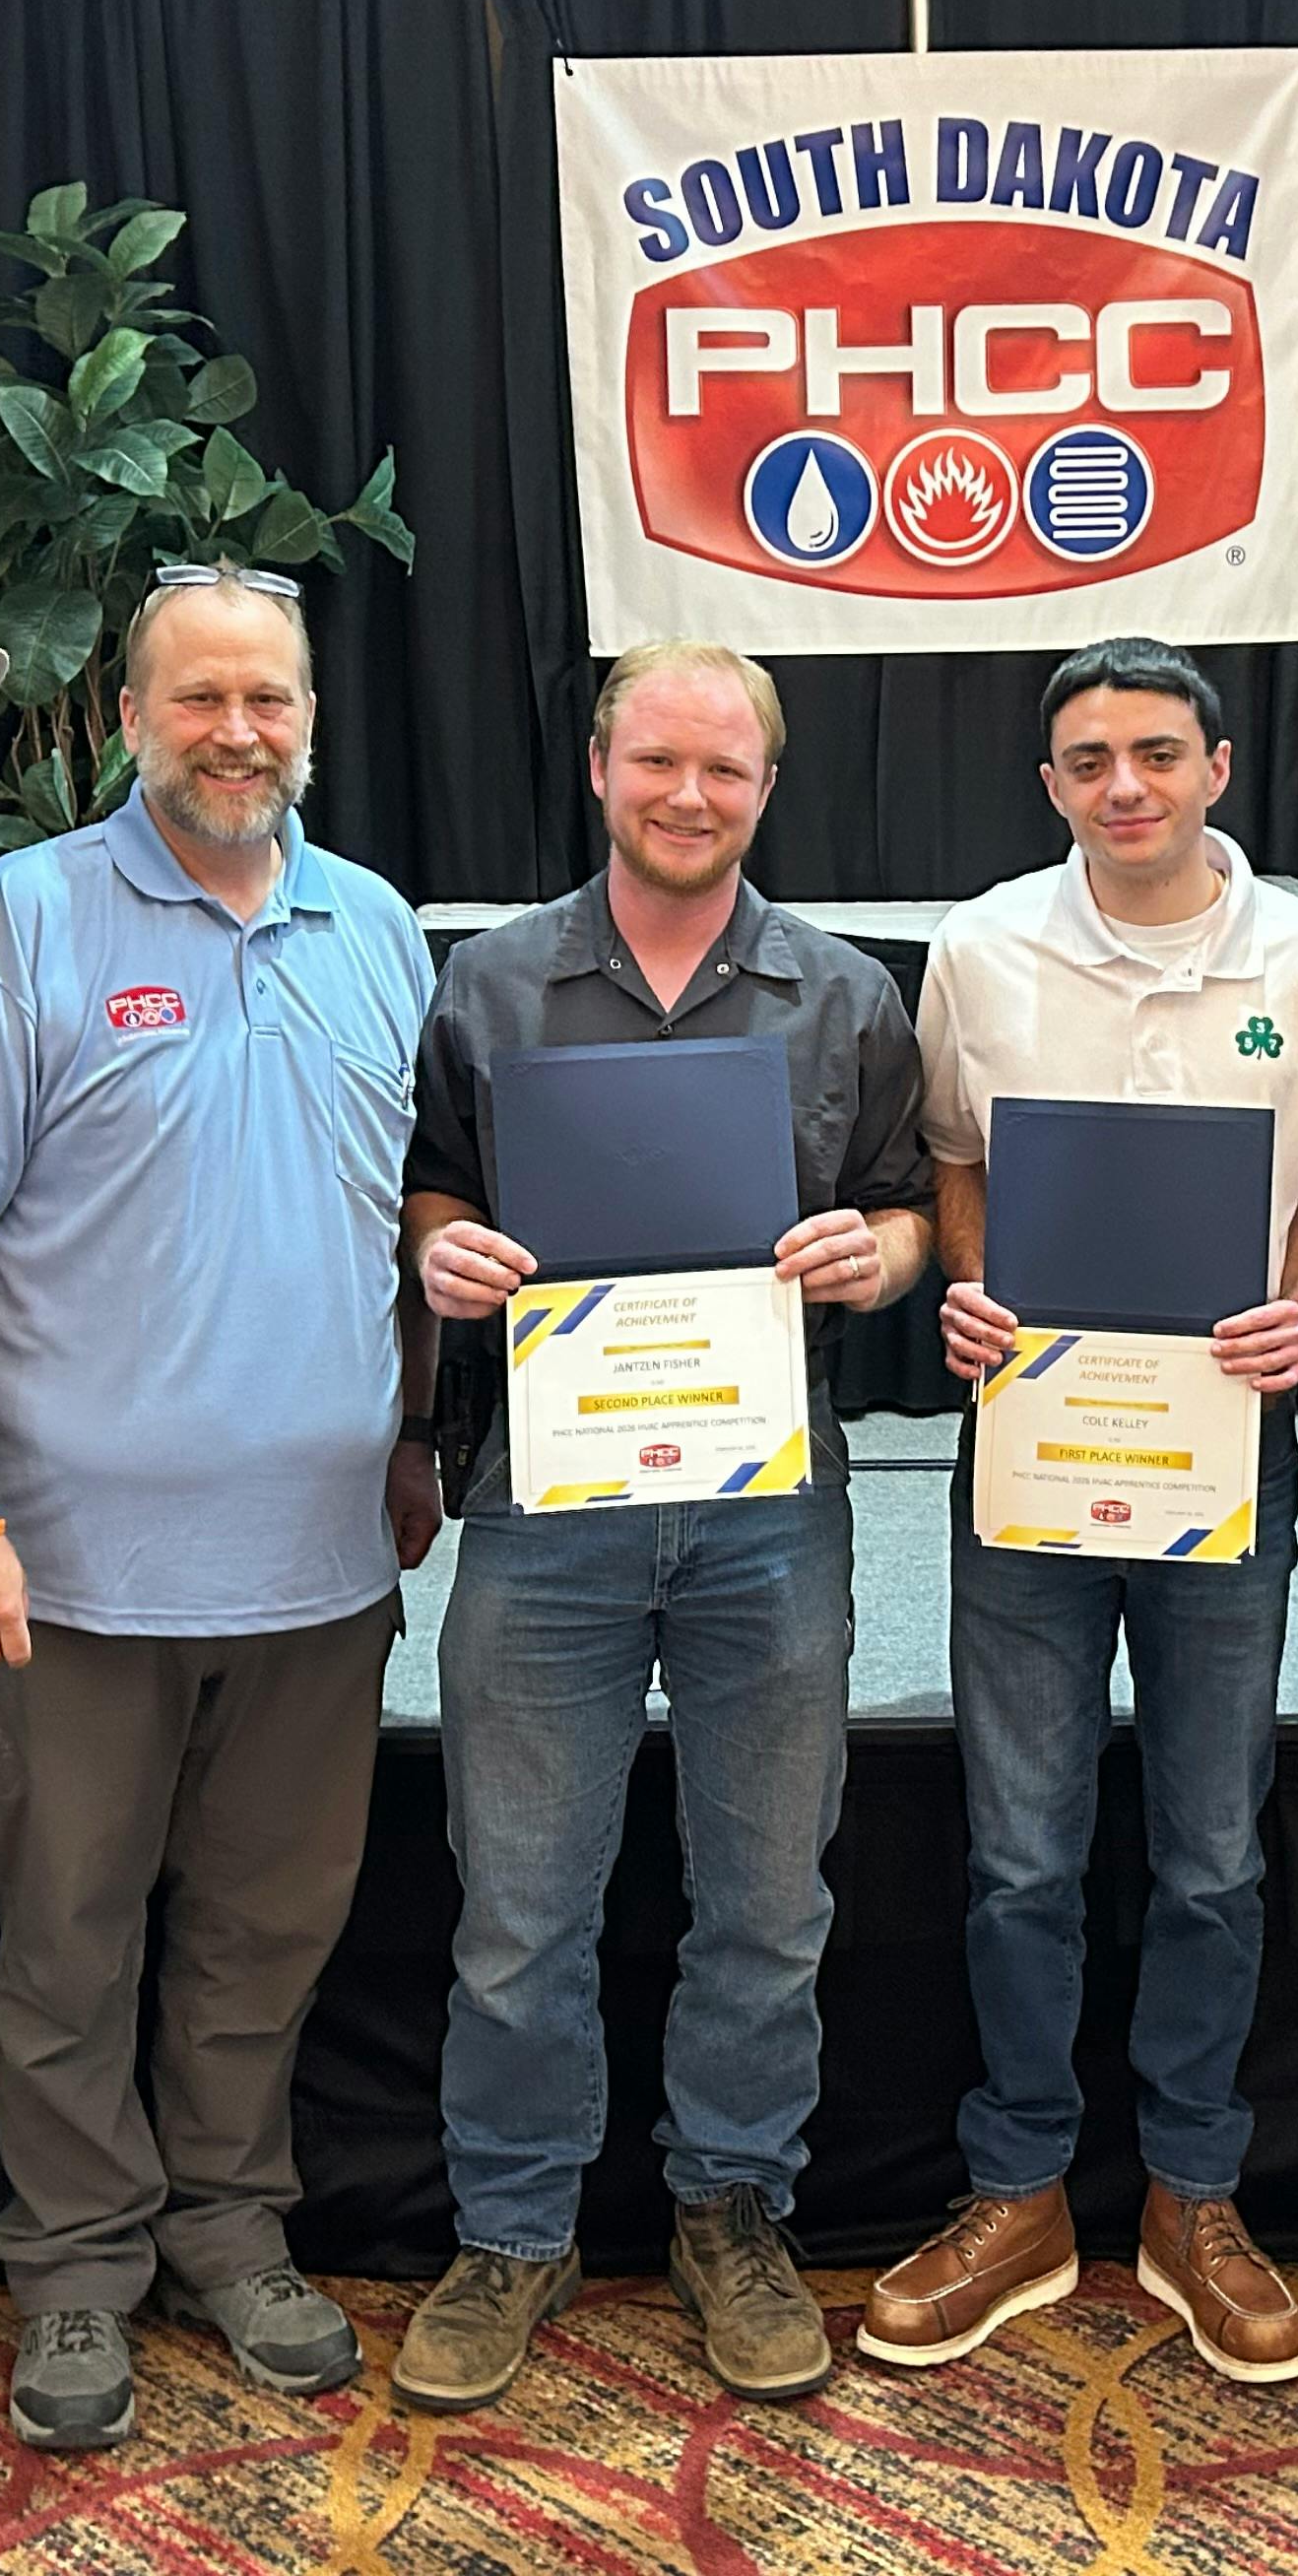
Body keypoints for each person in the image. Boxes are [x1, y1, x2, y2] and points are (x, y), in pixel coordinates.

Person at [0, 564, 440, 2450]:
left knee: (269, 1929)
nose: (237, 734)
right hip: (74, 1569)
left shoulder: (376, 931)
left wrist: (416, 1438)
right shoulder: (15, 925)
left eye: (267, 700)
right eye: (198, 699)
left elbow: (401, 1235)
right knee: (68, 1931)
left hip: (321, 1563)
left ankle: (228, 2226)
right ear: (129, 717)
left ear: (308, 720)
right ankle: (76, 2266)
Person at [390, 639, 932, 2413]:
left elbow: (911, 1211)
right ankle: (515, 2231)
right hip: (547, 1511)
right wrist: (437, 1247)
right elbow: (436, 1182)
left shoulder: (845, 994)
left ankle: (731, 2210)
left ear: (767, 787)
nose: (688, 795)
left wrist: (886, 1256)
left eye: (726, 769)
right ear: (602, 763)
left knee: (769, 1900)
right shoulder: (487, 983)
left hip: (771, 1510)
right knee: (516, 1909)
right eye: (657, 761)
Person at [860, 636, 1298, 2388]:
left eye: (1156, 753)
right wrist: (980, 1290)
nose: (1125, 787)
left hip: (1222, 1456)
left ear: (1218, 767)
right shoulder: (982, 947)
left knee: (1213, 1850)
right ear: (1052, 785)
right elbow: (954, 1160)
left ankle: (1194, 2191)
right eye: (1088, 761)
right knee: (1018, 1847)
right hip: (1032, 1455)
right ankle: (1015, 2184)